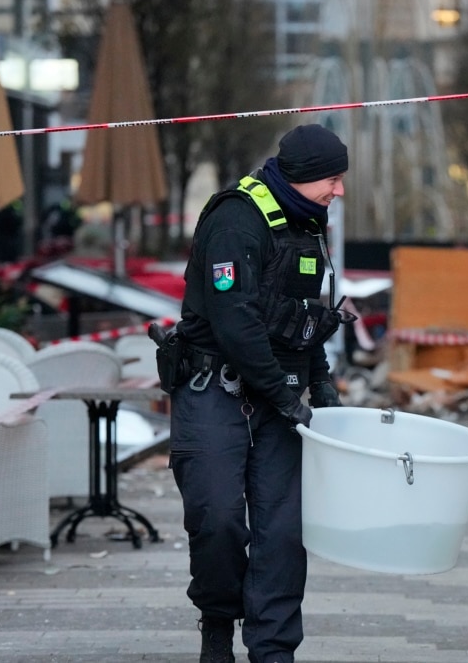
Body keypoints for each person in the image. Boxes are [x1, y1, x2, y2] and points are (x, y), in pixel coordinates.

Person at [163, 124, 352, 663]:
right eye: (332, 180)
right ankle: (218, 622)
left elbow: (303, 319)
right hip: (214, 391)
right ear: (300, 176)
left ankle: (273, 650)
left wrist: (320, 383)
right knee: (218, 518)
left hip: (280, 397)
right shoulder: (235, 221)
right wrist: (284, 395)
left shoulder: (304, 221)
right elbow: (234, 321)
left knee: (283, 534)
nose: (339, 191)